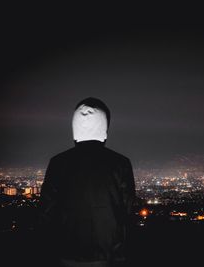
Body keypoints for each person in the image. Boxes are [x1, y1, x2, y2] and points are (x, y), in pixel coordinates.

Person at [38, 97, 136, 267]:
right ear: (104, 126)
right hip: (109, 257)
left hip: (66, 255)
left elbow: (46, 214)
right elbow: (127, 212)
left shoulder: (58, 163)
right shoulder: (121, 164)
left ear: (75, 126)